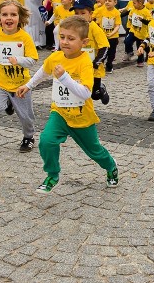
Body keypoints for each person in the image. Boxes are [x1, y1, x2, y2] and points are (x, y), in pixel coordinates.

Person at [16, 15, 118, 193]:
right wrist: (28, 85)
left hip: (81, 116)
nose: (65, 41)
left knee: (94, 151)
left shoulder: (85, 61)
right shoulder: (56, 57)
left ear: (84, 41)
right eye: (62, 37)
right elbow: (43, 71)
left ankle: (111, 167)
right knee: (46, 141)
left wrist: (64, 77)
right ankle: (52, 175)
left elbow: (86, 93)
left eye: (71, 38)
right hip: (60, 112)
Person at [0, 0, 39, 152]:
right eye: (5, 15)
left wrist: (18, 60)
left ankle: (28, 137)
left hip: (21, 85)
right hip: (1, 82)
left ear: (20, 18)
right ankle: (9, 103)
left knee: (26, 117)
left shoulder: (24, 37)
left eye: (13, 14)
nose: (9, 18)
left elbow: (33, 60)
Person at [71, 0, 111, 105]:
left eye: (82, 13)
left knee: (94, 94)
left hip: (94, 68)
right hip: (80, 66)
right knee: (80, 91)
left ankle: (101, 89)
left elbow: (105, 47)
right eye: (76, 13)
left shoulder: (94, 28)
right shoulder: (74, 28)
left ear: (90, 14)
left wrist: (97, 62)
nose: (79, 16)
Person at [93, 0, 122, 73]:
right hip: (102, 36)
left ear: (115, 2)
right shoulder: (100, 10)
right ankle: (100, 65)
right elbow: (92, 16)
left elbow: (117, 25)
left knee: (111, 53)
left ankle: (109, 65)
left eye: (109, 1)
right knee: (102, 52)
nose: (107, 2)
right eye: (105, 0)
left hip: (113, 36)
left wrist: (112, 33)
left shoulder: (116, 13)